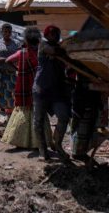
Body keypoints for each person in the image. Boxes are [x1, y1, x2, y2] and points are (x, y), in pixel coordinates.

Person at [1, 26, 51, 150]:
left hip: (23, 87)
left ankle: (20, 141)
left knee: (23, 112)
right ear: (38, 40)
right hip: (39, 87)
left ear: (26, 41)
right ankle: (37, 143)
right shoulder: (42, 53)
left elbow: (7, 61)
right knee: (38, 114)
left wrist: (18, 70)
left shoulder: (21, 53)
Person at [33, 25, 71, 160]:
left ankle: (58, 145)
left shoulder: (62, 49)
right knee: (39, 121)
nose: (54, 36)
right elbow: (55, 51)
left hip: (58, 89)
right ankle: (43, 151)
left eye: (56, 34)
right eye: (52, 34)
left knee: (64, 116)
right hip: (41, 88)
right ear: (47, 35)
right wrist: (66, 49)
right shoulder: (43, 45)